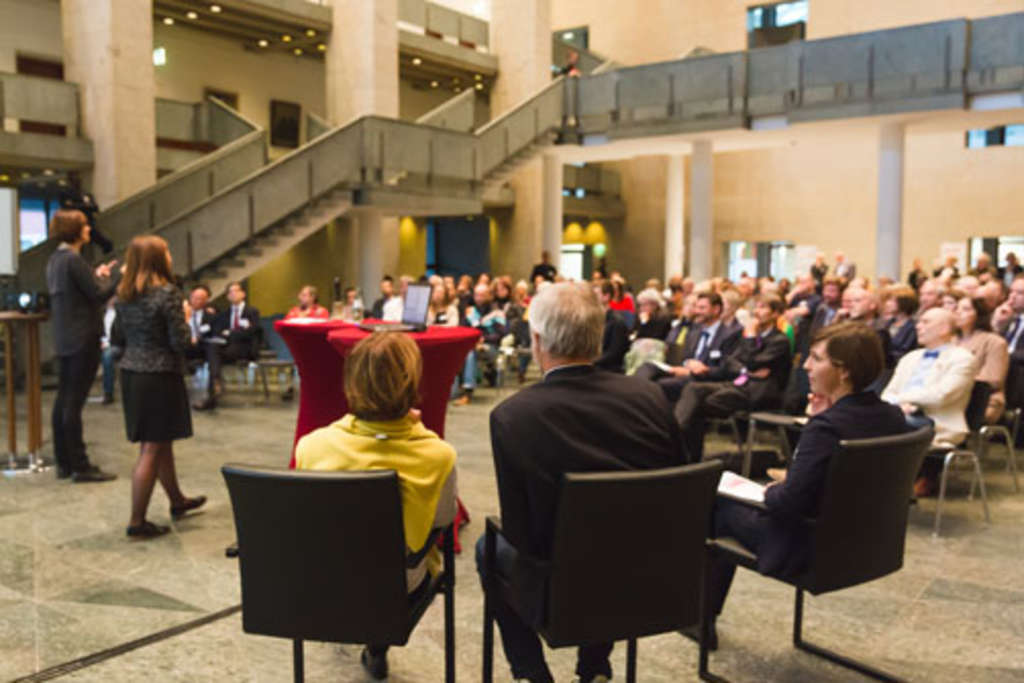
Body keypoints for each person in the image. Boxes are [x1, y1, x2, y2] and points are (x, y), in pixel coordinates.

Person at [477, 282, 682, 683]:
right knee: (608, 539)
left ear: (537, 341)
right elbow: (676, 485)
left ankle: (532, 673)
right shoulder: (650, 397)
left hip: (560, 589)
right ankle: (595, 666)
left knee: (489, 547)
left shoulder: (514, 416)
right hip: (649, 576)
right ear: (598, 335)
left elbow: (521, 532)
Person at [702, 323, 908, 648]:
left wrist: (771, 489)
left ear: (843, 371)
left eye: (816, 358)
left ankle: (701, 617)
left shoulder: (826, 427)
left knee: (716, 501)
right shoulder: (893, 416)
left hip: (808, 547)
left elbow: (787, 503)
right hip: (867, 545)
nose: (807, 366)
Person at [295, 332, 457, 681]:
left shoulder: (312, 446)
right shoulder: (438, 455)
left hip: (325, 581)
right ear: (412, 384)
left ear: (351, 382)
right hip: (398, 587)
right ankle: (377, 643)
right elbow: (443, 521)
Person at [111, 235, 206, 538]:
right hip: (160, 375)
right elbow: (181, 342)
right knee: (152, 448)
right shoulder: (168, 294)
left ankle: (177, 500)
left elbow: (117, 338)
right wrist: (187, 318)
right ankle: (137, 521)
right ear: (157, 259)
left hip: (132, 374)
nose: (170, 257)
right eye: (166, 252)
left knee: (160, 442)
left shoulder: (123, 295)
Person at [46, 209, 120, 482]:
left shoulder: (56, 259)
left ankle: (64, 463)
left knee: (64, 400)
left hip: (65, 337)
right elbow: (98, 296)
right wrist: (120, 278)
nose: (89, 229)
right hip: (82, 338)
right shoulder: (73, 260)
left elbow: (79, 291)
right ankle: (80, 465)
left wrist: (96, 274)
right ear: (75, 230)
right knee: (73, 403)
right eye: (85, 225)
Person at [674, 294, 792, 463]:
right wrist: (747, 369)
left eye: (763, 307)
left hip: (760, 393)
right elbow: (730, 362)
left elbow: (750, 362)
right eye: (756, 307)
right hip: (740, 384)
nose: (757, 311)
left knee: (695, 405)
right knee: (693, 389)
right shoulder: (750, 336)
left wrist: (750, 341)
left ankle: (677, 447)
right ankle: (685, 451)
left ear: (775, 314)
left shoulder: (779, 340)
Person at [882, 308, 977, 494]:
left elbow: (942, 396)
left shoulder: (962, 358)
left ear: (944, 329)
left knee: (884, 423)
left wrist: (902, 400)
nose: (918, 326)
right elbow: (888, 393)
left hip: (936, 422)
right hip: (900, 415)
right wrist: (898, 406)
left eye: (925, 322)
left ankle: (900, 481)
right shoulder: (910, 358)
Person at [193, 282, 262, 411]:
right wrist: (236, 332)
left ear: (243, 294)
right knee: (213, 349)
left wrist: (230, 333)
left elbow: (253, 332)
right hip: (226, 348)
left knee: (214, 355)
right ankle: (215, 385)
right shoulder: (224, 314)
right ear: (227, 296)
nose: (233, 294)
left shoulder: (252, 312)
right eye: (230, 292)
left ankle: (214, 385)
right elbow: (218, 331)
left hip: (245, 348)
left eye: (236, 291)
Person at [955, 297, 1009, 424]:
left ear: (979, 315)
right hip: (950, 394)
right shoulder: (951, 340)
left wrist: (954, 380)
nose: (958, 312)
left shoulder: (995, 342)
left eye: (965, 309)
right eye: (957, 308)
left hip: (983, 399)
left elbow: (993, 379)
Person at [454, 283, 507, 405]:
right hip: (471, 345)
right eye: (477, 295)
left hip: (491, 348)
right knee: (466, 351)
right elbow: (462, 329)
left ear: (489, 296)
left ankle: (468, 392)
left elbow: (501, 334)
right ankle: (454, 389)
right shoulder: (470, 312)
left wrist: (484, 339)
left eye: (482, 295)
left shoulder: (497, 312)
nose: (479, 298)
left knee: (471, 353)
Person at [594, 280, 630, 372]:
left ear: (606, 296)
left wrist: (591, 362)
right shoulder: (593, 320)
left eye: (595, 295)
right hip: (595, 366)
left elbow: (614, 353)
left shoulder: (617, 322)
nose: (591, 299)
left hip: (609, 369)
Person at [99, 297, 117, 404]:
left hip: (116, 344)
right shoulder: (102, 312)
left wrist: (106, 343)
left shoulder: (120, 311)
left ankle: (108, 392)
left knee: (107, 356)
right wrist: (102, 341)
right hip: (103, 343)